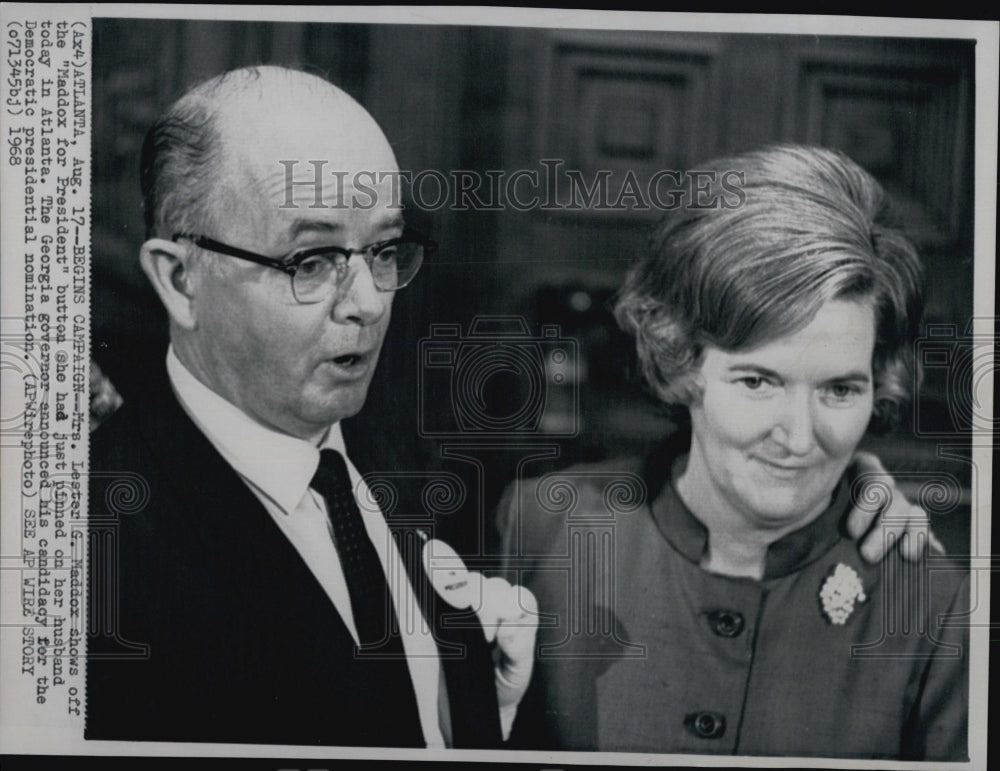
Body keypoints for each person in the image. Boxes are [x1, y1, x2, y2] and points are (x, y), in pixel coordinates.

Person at [85, 65, 537, 748]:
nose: (370, 302)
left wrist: (477, 716)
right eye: (313, 259)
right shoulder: (92, 549)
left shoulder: (392, 445)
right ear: (180, 279)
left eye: (384, 250)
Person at [501, 144, 967, 759]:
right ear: (681, 359)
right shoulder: (537, 530)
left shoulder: (934, 606)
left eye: (839, 389)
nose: (800, 439)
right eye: (758, 381)